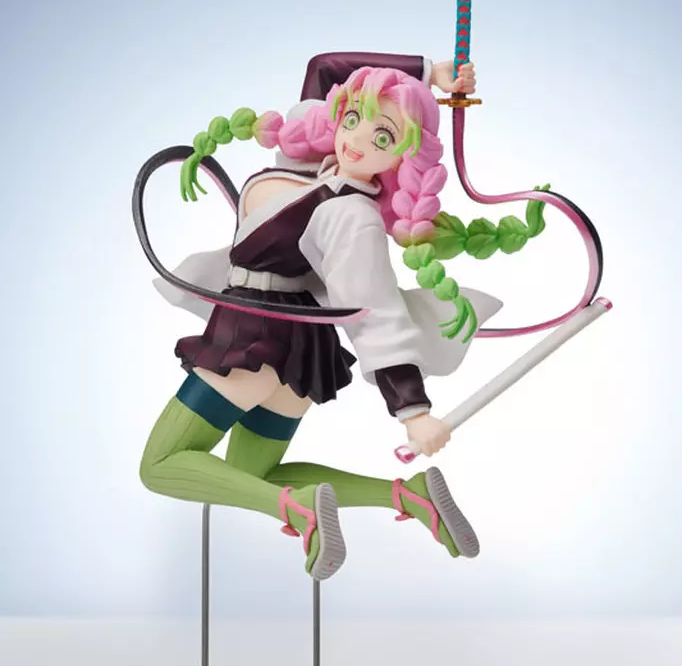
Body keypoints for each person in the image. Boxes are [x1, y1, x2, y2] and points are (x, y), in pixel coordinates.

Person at [139, 53, 545, 580]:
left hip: (254, 336)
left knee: (160, 465)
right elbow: (326, 67)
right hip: (296, 351)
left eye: (384, 137)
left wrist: (413, 410)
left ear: (401, 157)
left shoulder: (353, 215)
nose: (357, 140)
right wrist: (430, 73)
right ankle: (408, 496)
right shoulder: (310, 155)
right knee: (248, 473)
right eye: (353, 117)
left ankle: (297, 510)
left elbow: (374, 309)